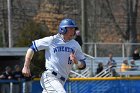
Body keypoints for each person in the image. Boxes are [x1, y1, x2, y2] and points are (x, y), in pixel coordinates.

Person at [22, 18, 86, 93]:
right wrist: (26, 66)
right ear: (63, 29)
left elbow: (83, 65)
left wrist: (77, 62)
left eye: (74, 28)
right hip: (50, 77)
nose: (73, 30)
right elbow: (32, 48)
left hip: (62, 81)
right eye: (71, 28)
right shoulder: (52, 40)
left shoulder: (75, 44)